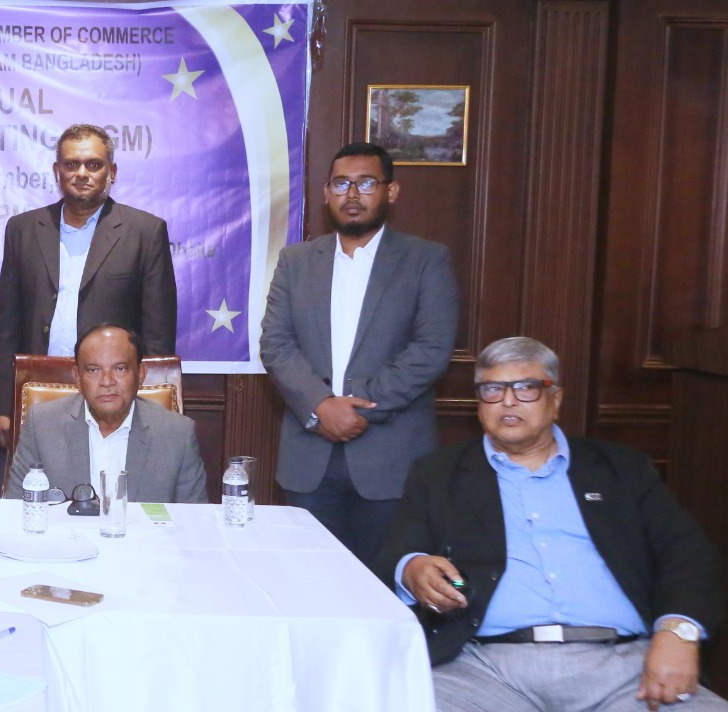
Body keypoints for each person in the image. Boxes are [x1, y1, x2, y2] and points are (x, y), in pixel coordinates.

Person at [377, 337, 724, 712]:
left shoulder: (622, 468)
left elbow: (688, 555)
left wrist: (679, 633)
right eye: (492, 389)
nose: (508, 401)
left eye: (526, 388)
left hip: (625, 670)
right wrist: (411, 568)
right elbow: (397, 555)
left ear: (555, 399)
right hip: (483, 671)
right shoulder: (438, 474)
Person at [259, 141, 459, 566]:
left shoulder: (425, 260)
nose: (352, 194)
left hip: (391, 460)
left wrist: (358, 407)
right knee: (311, 584)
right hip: (309, 458)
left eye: (366, 183)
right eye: (341, 184)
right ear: (326, 193)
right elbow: (275, 343)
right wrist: (321, 405)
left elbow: (431, 348)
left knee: (386, 583)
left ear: (391, 191)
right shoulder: (296, 261)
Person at [0, 124, 176, 450]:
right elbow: (7, 325)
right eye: (72, 164)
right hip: (37, 388)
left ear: (111, 172)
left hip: (112, 392)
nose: (82, 173)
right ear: (57, 171)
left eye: (93, 164)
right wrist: (2, 407)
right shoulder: (23, 229)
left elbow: (158, 333)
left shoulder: (144, 232)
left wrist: (152, 405)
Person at [5, 323, 206, 503]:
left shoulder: (178, 434)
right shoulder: (42, 425)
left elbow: (194, 523)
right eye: (94, 370)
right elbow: (16, 510)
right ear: (78, 377)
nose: (107, 381)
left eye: (120, 368)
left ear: (140, 374)